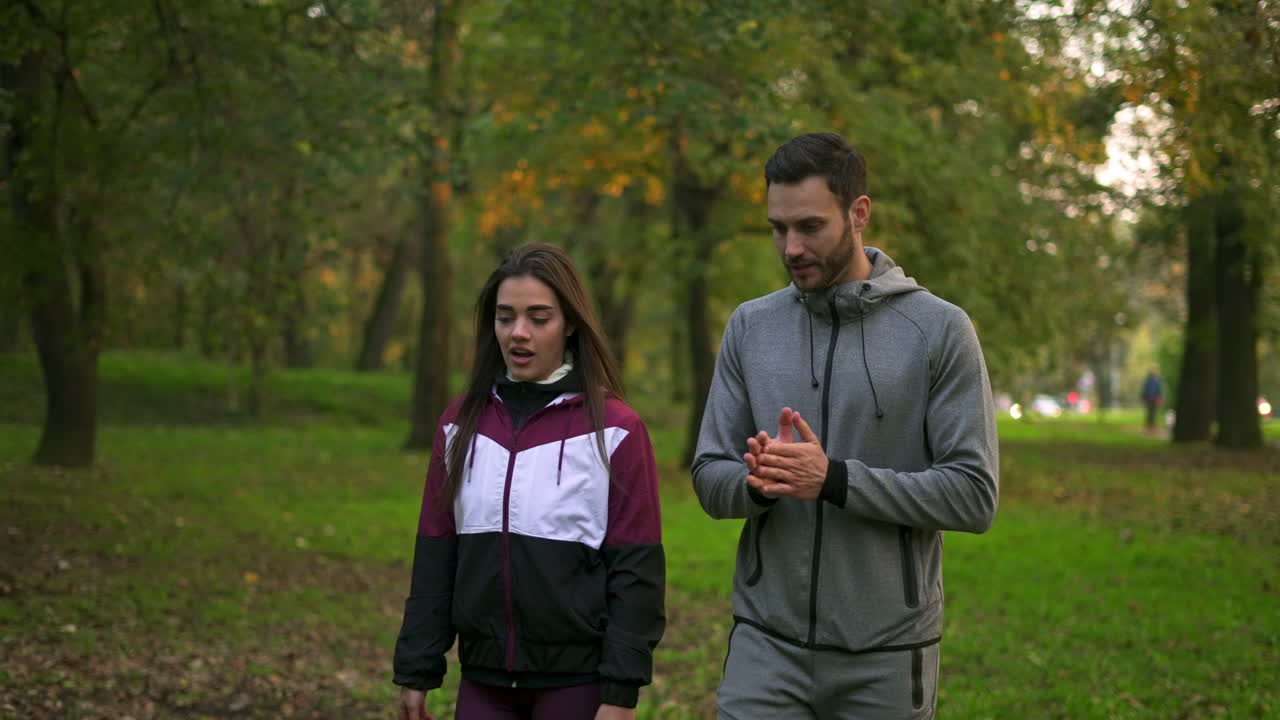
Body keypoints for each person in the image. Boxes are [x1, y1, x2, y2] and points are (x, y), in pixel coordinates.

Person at [692, 133, 999, 720]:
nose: (791, 247)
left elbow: (973, 496)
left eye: (810, 226)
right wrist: (758, 484)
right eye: (777, 228)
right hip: (765, 645)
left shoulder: (938, 331)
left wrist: (833, 480)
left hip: (885, 653)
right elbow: (709, 474)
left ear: (859, 214)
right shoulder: (750, 328)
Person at [393, 243, 666, 720]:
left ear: (571, 324)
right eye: (505, 317)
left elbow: (637, 572)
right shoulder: (460, 423)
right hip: (483, 680)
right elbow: (436, 552)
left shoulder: (617, 431)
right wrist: (416, 668)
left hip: (575, 683)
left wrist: (620, 691)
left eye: (539, 318)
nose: (518, 333)